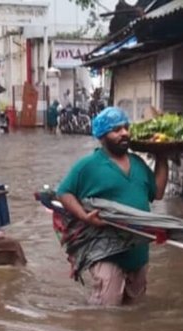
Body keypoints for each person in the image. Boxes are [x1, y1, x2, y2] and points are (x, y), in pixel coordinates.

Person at [57, 107, 168, 306]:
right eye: (116, 130)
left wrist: (162, 156)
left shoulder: (138, 164)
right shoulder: (88, 165)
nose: (124, 133)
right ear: (102, 136)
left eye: (126, 128)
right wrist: (84, 216)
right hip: (105, 249)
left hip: (138, 250)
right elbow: (64, 193)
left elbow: (157, 193)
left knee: (135, 310)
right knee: (107, 312)